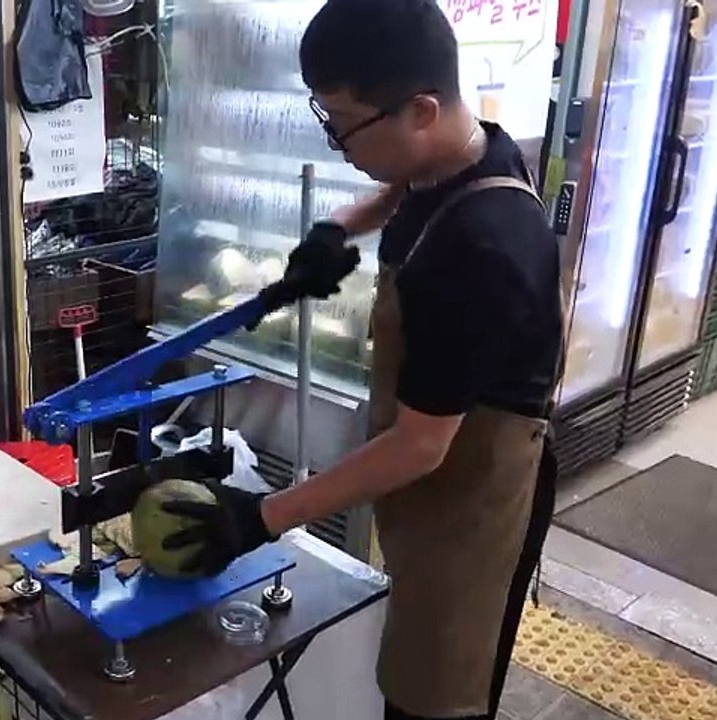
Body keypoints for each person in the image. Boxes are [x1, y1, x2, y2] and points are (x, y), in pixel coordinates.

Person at [158, 1, 566, 719]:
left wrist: (261, 518)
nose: (338, 143)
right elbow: (414, 185)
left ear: (421, 110)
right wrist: (338, 228)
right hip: (437, 483)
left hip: (475, 497)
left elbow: (419, 446)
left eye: (344, 123)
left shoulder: (483, 249)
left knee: (436, 698)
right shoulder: (471, 148)